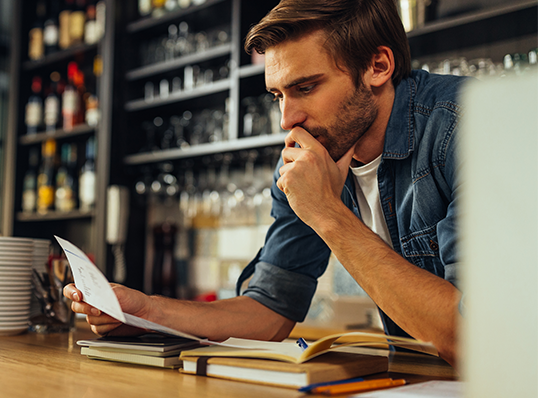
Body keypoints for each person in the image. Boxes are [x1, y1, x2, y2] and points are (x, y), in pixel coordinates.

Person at [65, 0, 464, 368]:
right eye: (278, 96)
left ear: (378, 66)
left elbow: (474, 335)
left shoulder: (467, 128)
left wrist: (327, 213)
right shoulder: (308, 154)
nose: (286, 120)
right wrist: (145, 312)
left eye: (305, 87)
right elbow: (270, 309)